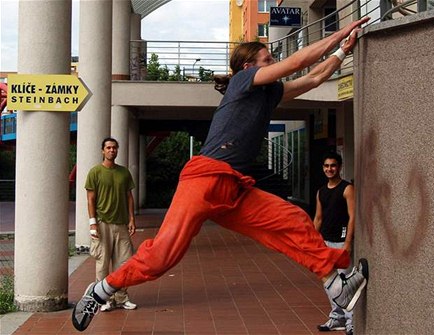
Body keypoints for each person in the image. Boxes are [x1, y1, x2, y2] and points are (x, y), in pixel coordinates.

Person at [72, 16, 371, 332]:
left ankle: (336, 286)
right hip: (205, 179)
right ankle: (102, 290)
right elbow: (298, 61)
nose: (274, 62)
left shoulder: (269, 93)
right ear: (248, 68)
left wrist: (342, 52)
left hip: (235, 189)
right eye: (267, 59)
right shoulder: (242, 83)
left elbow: (312, 79)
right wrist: (340, 33)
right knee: (162, 257)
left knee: (294, 221)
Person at [86, 137, 138, 312]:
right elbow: (90, 199)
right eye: (108, 148)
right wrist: (92, 224)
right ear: (103, 151)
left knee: (124, 263)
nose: (111, 150)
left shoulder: (124, 173)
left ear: (117, 150)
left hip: (121, 224)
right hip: (102, 224)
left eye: (114, 148)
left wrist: (131, 219)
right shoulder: (95, 172)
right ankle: (104, 299)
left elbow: (129, 197)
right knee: (102, 263)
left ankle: (122, 297)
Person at [314, 152, 355, 335]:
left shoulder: (347, 189)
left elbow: (352, 216)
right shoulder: (321, 191)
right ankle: (336, 317)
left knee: (344, 283)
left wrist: (347, 242)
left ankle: (350, 321)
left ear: (339, 167)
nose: (329, 169)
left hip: (341, 241)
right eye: (326, 166)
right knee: (329, 283)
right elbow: (318, 218)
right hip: (325, 242)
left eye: (333, 165)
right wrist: (312, 242)